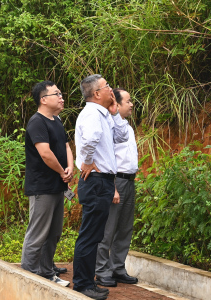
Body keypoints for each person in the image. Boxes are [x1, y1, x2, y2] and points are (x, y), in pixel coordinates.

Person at [72, 75, 129, 300]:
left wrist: (115, 113)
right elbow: (90, 139)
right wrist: (86, 161)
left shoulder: (103, 114)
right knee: (89, 235)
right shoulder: (92, 114)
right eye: (106, 87)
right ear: (96, 94)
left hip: (102, 180)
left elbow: (122, 136)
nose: (111, 90)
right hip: (95, 180)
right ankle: (82, 284)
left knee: (95, 235)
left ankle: (87, 282)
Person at [21, 81, 73, 287]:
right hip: (42, 187)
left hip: (58, 185)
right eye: (56, 93)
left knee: (54, 233)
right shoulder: (37, 122)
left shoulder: (56, 120)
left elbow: (66, 145)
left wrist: (70, 167)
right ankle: (28, 276)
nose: (61, 97)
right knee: (38, 233)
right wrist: (62, 172)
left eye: (61, 93)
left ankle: (46, 273)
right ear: (43, 99)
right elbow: (45, 152)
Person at [95, 88, 139, 287]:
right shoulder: (108, 127)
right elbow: (106, 158)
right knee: (109, 228)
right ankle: (102, 270)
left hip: (129, 181)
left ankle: (117, 268)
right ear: (117, 105)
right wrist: (112, 187)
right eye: (128, 101)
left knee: (124, 228)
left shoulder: (126, 127)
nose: (131, 105)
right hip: (116, 181)